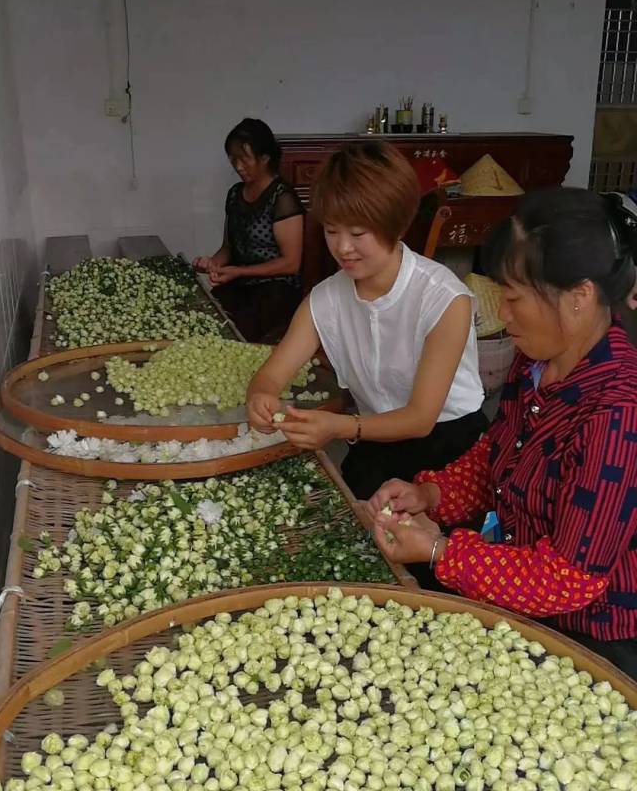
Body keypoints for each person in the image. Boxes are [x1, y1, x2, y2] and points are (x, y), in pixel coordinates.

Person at [368, 186, 637, 678]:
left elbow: (568, 580)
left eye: (513, 298)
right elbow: (499, 451)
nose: (502, 314)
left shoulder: (617, 414)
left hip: (591, 636)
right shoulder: (537, 361)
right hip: (514, 588)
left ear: (579, 297)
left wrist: (439, 550)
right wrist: (431, 494)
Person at [247, 141, 486, 501]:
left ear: (396, 225)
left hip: (450, 451)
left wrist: (338, 427)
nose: (343, 247)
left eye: (358, 233)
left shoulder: (443, 298)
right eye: (331, 230)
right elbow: (272, 373)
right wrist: (261, 397)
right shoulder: (326, 299)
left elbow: (421, 418)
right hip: (375, 442)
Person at [194, 118, 304, 344]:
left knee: (236, 334)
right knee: (205, 319)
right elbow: (228, 247)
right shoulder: (235, 194)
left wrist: (238, 272)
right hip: (241, 285)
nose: (238, 166)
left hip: (276, 289)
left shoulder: (282, 198)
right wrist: (213, 263)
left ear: (264, 158)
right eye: (233, 159)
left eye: (244, 159)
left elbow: (291, 263)